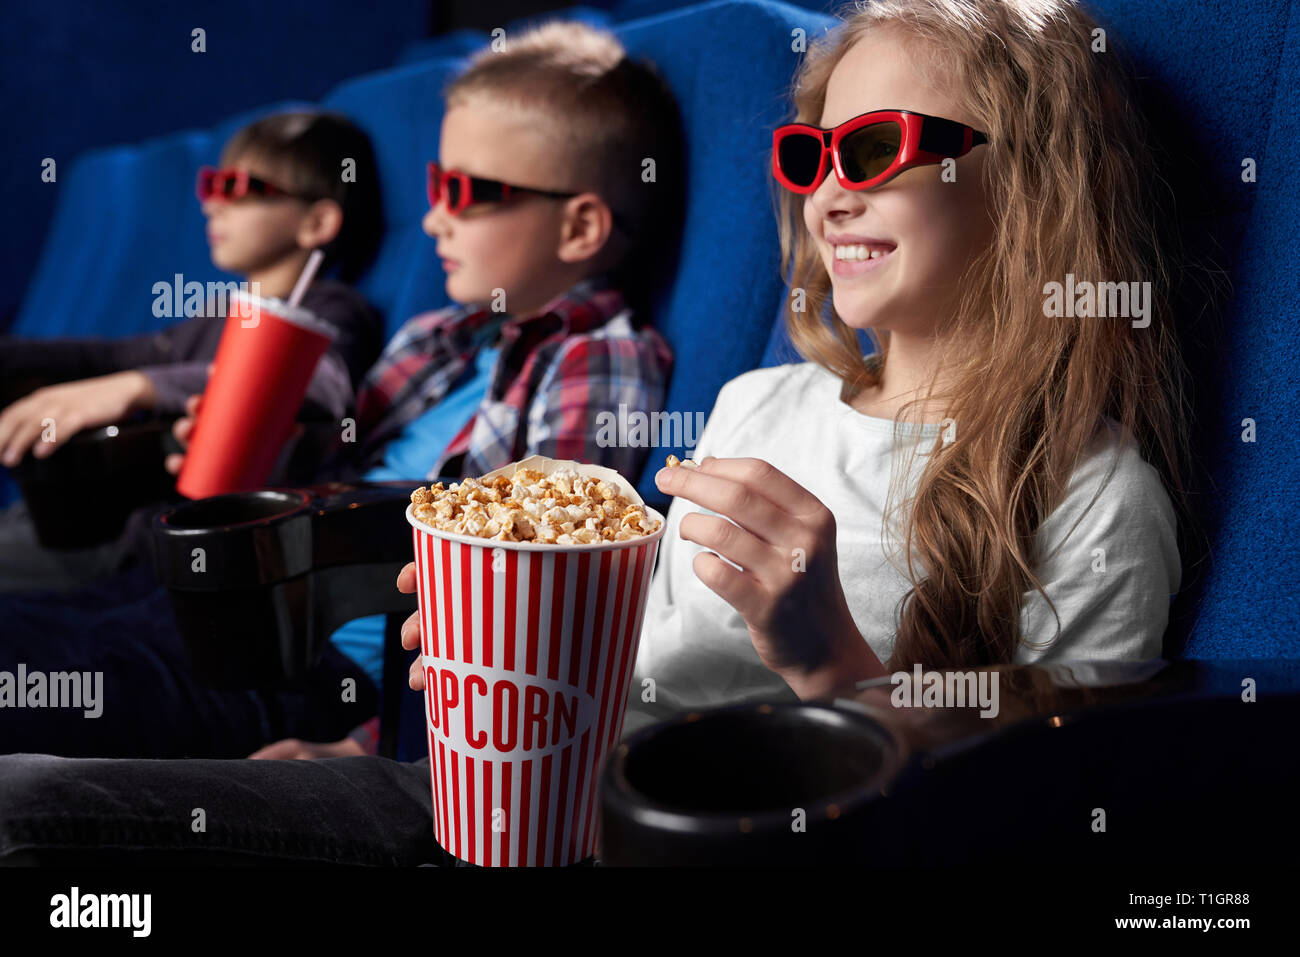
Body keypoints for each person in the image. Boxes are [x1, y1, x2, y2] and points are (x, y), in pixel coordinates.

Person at [0, 0, 1198, 865]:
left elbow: (1030, 828)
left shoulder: (1092, 495)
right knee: (35, 793)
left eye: (876, 147)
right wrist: (431, 703)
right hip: (495, 794)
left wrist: (831, 666)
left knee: (35, 818)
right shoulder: (757, 406)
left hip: (671, 841)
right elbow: (607, 673)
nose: (830, 190)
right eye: (811, 153)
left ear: (1035, 183)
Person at [0, 20, 683, 761]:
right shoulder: (435, 336)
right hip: (228, 604)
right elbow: (333, 459)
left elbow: (532, 594)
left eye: (463, 193)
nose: (431, 220)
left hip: (334, 672)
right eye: (432, 188)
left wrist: (365, 748)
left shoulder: (598, 360)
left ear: (579, 226)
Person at [0, 110, 387, 593]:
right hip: (86, 517)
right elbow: (111, 356)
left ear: (317, 222)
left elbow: (321, 383)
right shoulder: (218, 314)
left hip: (141, 547)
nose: (212, 206)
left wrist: (138, 388)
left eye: (238, 188)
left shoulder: (332, 309)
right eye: (211, 186)